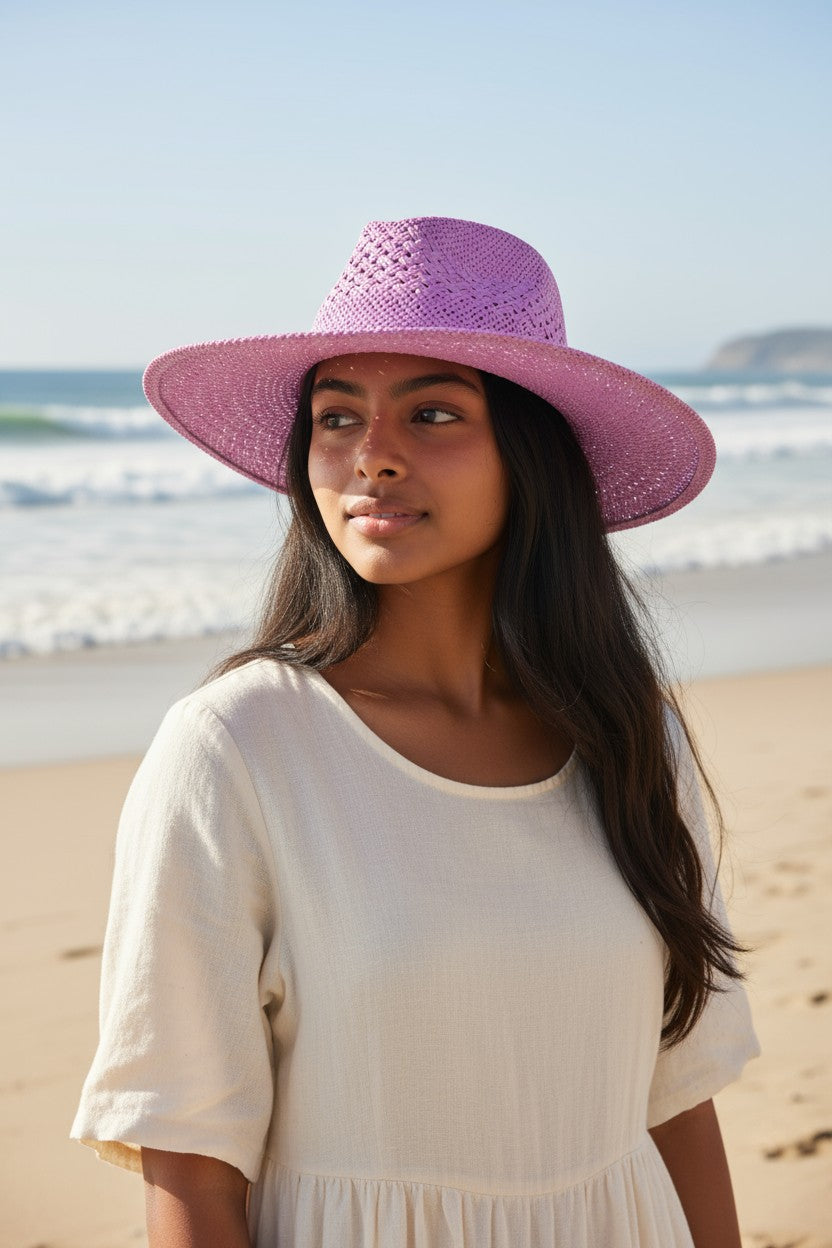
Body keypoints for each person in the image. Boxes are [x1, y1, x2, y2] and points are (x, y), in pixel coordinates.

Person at [71, 216, 761, 1248]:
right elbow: (191, 1164)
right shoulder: (239, 748)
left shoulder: (631, 741)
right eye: (337, 418)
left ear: (535, 457)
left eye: (433, 413)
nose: (371, 458)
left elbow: (674, 1104)